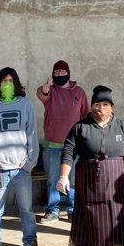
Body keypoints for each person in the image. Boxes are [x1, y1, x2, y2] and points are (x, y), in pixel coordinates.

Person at [58, 85, 124, 246]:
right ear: (92, 106)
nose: (101, 108)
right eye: (98, 104)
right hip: (88, 183)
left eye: (106, 104)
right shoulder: (80, 127)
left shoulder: (122, 126)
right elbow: (68, 151)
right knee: (90, 220)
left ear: (112, 107)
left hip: (116, 185)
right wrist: (63, 176)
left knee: (119, 220)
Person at [0, 67, 43, 246]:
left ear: (16, 84)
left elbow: (32, 135)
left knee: (26, 210)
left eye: (10, 81)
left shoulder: (26, 105)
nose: (7, 84)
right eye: (3, 81)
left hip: (21, 170)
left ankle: (30, 244)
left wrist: (29, 163)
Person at [36, 60, 89, 224]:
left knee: (73, 180)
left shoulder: (79, 92)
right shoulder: (50, 91)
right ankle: (52, 210)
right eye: (56, 72)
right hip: (52, 144)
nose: (59, 74)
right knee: (53, 179)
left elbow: (86, 115)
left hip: (74, 146)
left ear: (68, 73)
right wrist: (44, 90)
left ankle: (73, 210)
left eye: (62, 71)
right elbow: (41, 94)